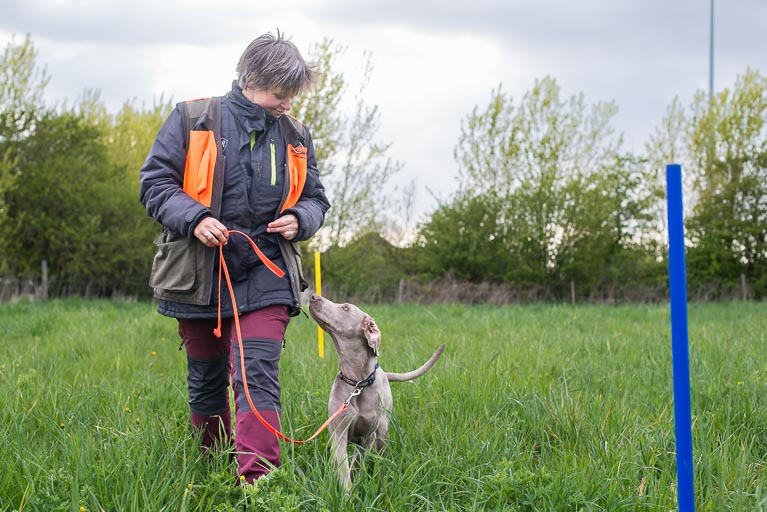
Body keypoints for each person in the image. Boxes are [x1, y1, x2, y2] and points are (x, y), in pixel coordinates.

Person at [139, 31, 330, 484]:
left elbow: (318, 198)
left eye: (292, 94)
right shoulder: (192, 118)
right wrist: (195, 217)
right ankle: (210, 472)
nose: (287, 103)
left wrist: (302, 218)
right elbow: (154, 184)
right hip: (199, 275)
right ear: (250, 79)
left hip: (267, 274)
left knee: (256, 371)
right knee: (206, 377)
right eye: (280, 93)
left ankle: (259, 483)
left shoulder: (296, 134)